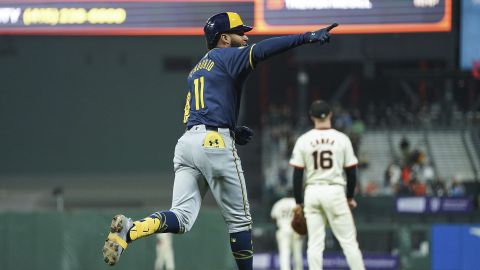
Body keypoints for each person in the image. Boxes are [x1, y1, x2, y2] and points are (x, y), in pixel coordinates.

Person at [102, 12, 338, 270]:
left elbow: (200, 111)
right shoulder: (228, 56)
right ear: (224, 38)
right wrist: (308, 36)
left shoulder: (196, 69)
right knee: (240, 222)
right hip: (214, 142)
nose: (245, 36)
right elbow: (265, 50)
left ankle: (131, 229)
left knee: (181, 218)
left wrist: (233, 129)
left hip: (187, 143)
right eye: (240, 32)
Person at [289, 100, 365, 270]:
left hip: (312, 191)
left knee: (315, 244)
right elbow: (352, 172)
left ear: (311, 117)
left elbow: (297, 175)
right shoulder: (342, 138)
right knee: (349, 243)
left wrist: (298, 202)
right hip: (334, 190)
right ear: (330, 114)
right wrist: (350, 197)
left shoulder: (304, 140)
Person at [270, 194, 305, 270]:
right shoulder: (297, 203)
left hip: (283, 229)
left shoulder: (279, 203)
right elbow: (303, 217)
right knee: (297, 253)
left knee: (284, 253)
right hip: (296, 230)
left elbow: (273, 218)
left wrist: (281, 221)